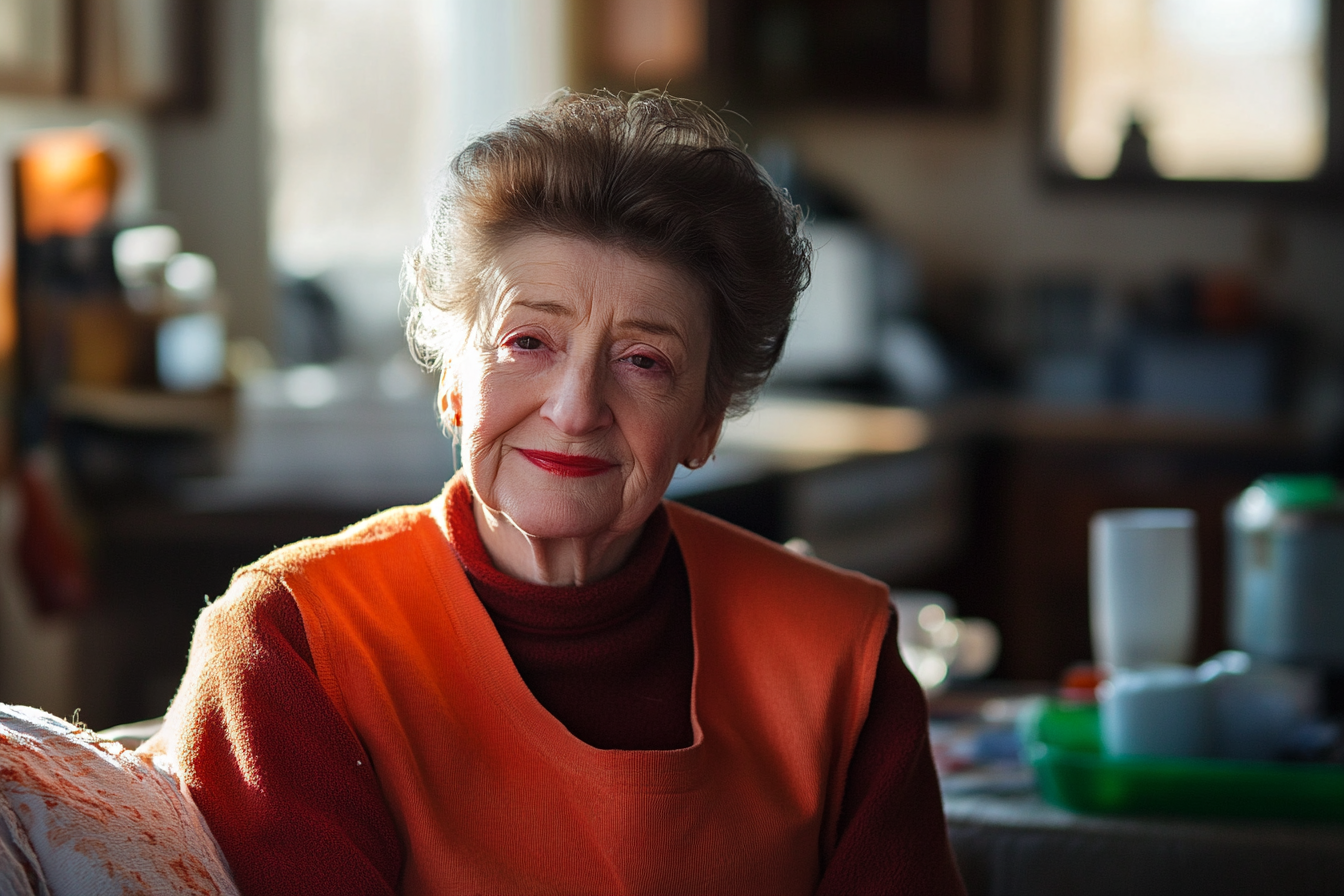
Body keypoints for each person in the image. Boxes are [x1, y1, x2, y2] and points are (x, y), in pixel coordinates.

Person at [145, 91, 965, 896]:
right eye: (528, 341)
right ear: (454, 383)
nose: (575, 410)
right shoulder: (294, 641)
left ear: (706, 421)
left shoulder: (841, 656)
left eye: (645, 360)